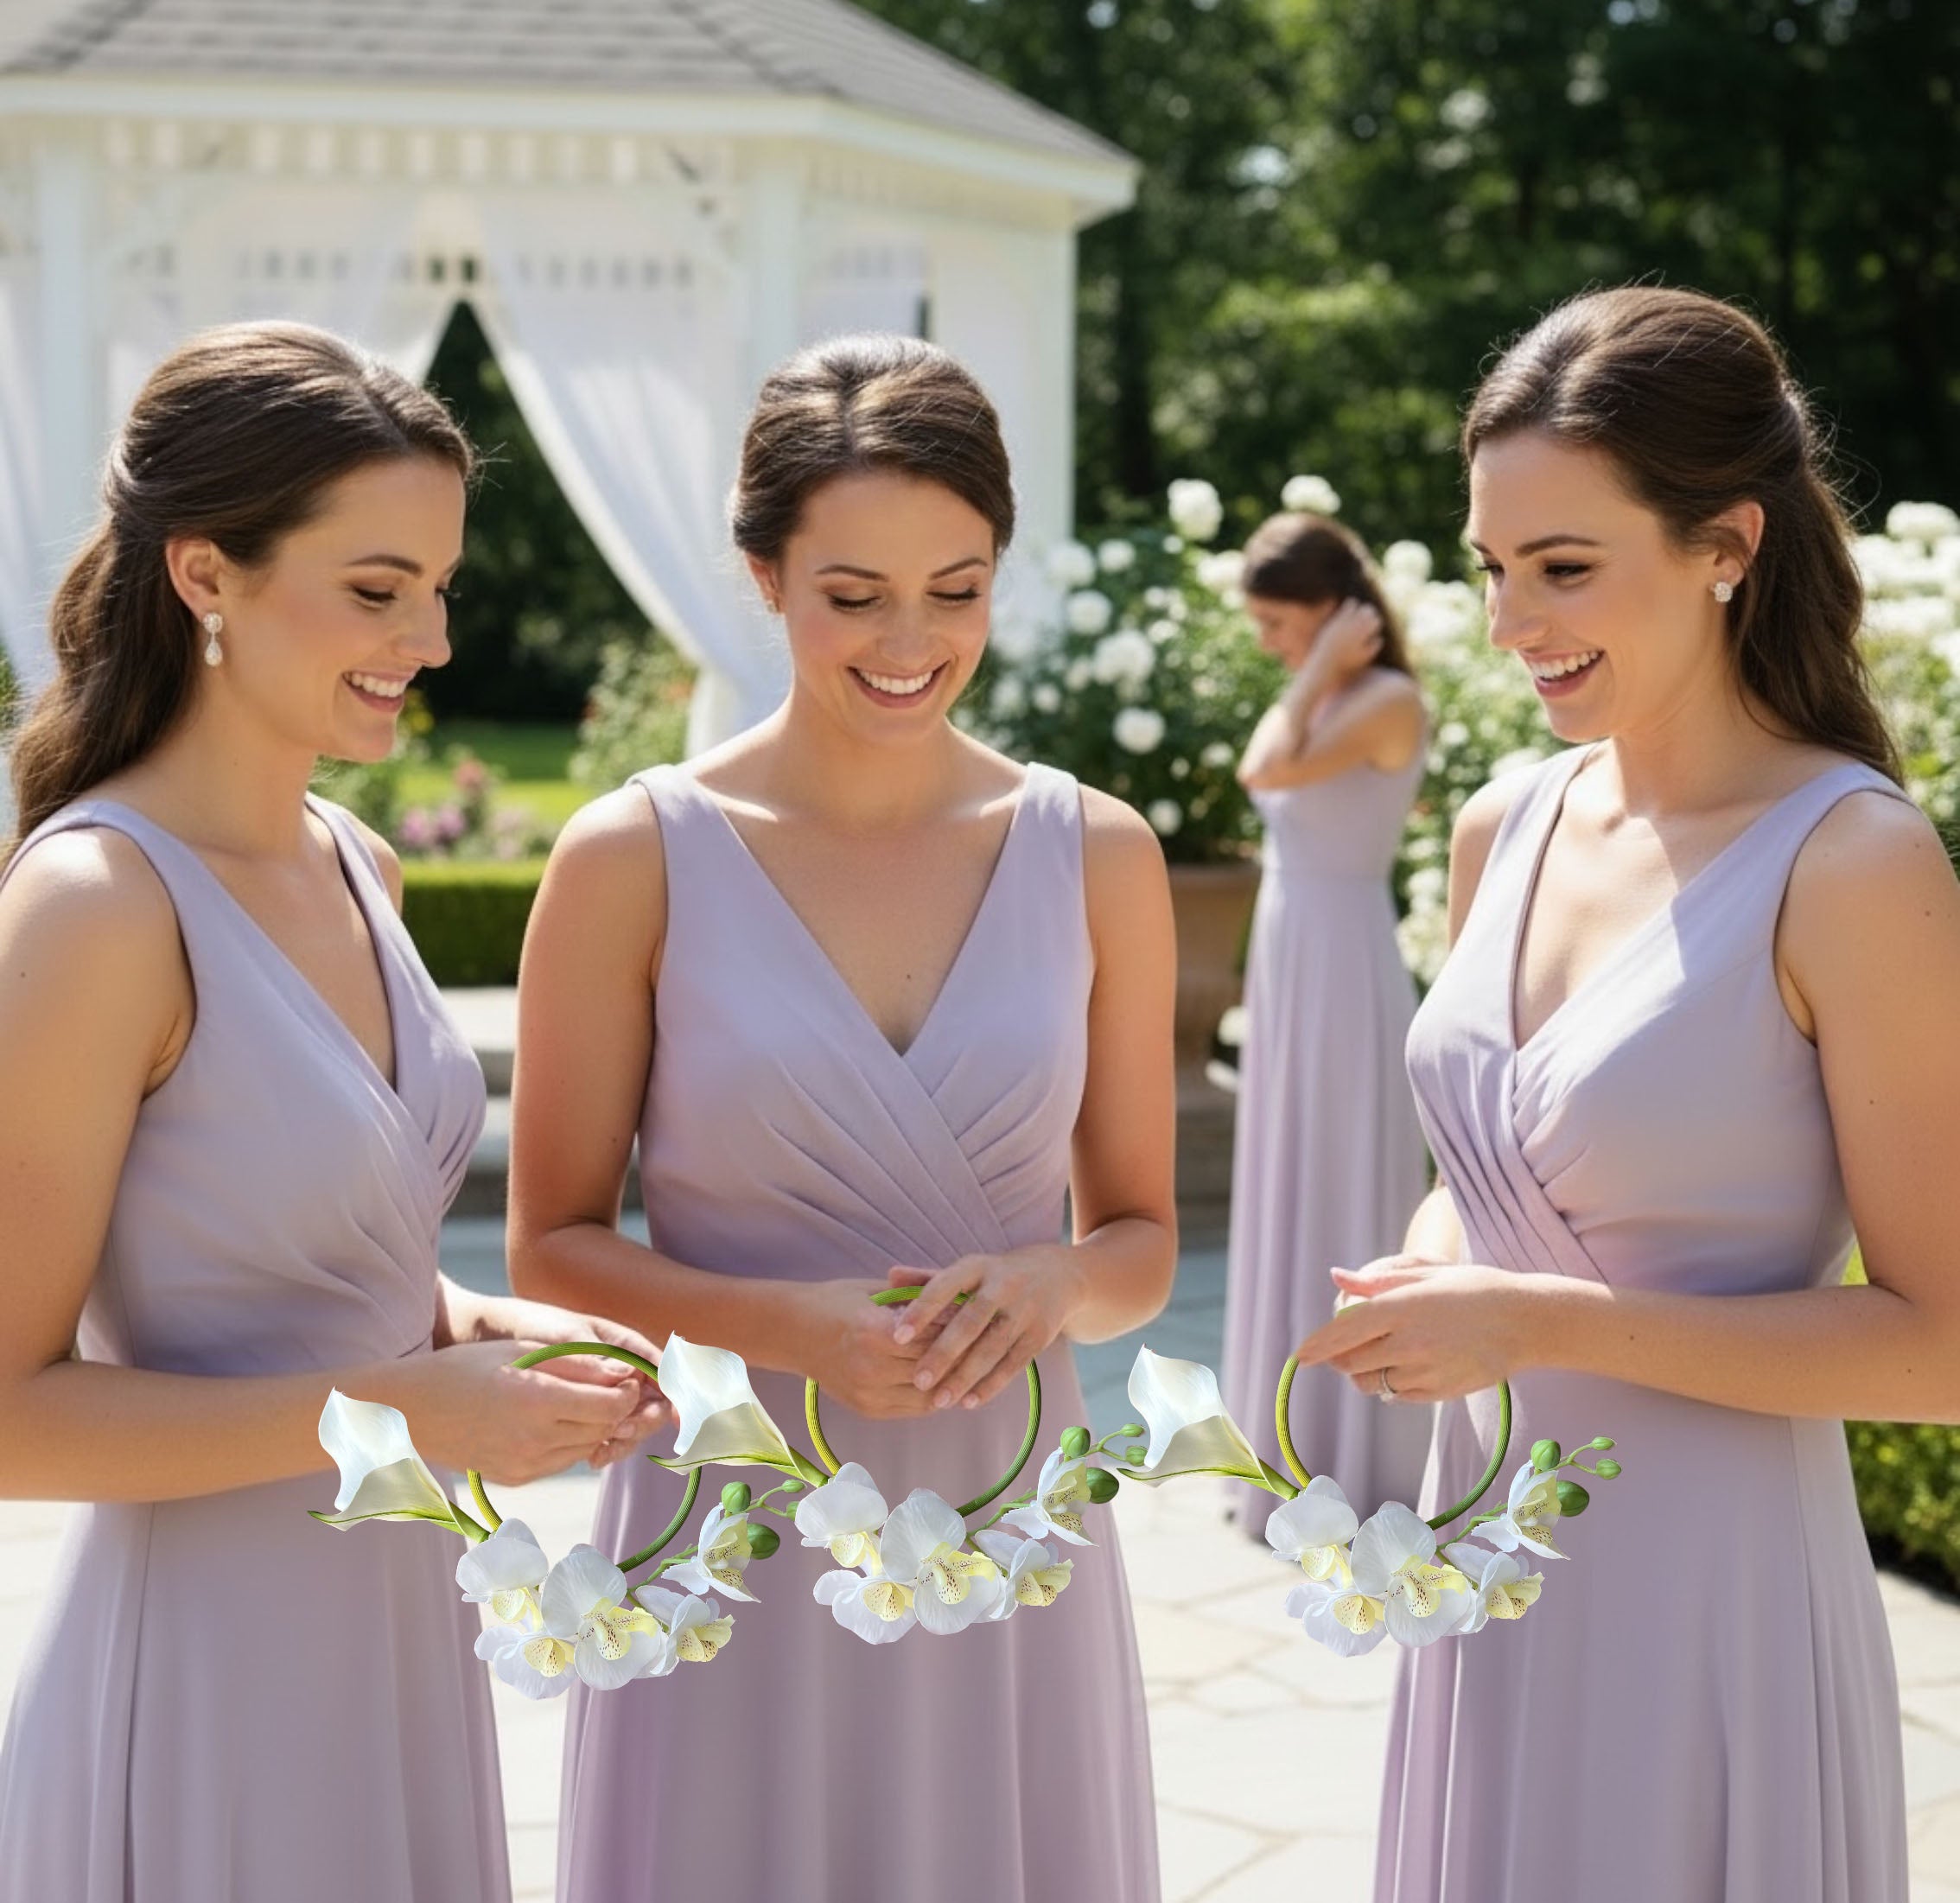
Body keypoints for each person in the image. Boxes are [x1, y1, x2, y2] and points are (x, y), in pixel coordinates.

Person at [1296, 285, 1952, 1902]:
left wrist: (1538, 1324)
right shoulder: (1496, 822)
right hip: (1485, 1556)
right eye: (1491, 567)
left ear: (1724, 543)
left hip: (1711, 1604)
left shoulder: (1850, 863)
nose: (1513, 619)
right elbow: (1496, 1158)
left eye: (1564, 566)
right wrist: (1435, 1261)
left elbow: (1940, 1345)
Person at [0, 321, 666, 1903]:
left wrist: (467, 1327)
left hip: (402, 1634)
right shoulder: (97, 905)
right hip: (214, 1680)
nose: (430, 639)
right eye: (377, 589)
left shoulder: (353, 863)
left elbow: (299, 1256)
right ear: (204, 574)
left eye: (439, 586)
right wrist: (410, 1412)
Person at [508, 334, 1174, 1903]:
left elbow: (1140, 1239)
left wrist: (1059, 1281)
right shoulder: (631, 855)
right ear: (761, 575)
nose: (910, 638)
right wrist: (779, 1328)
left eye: (956, 586)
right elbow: (549, 1243)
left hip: (1010, 1506)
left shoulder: (1096, 851)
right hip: (735, 1504)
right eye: (851, 592)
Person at [1218, 513, 1431, 1529]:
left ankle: (1358, 1456)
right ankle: (1282, 1447)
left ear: (1334, 610)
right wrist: (1311, 675)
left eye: (1275, 621)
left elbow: (1261, 770)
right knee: (1287, 1183)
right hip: (1292, 959)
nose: (1269, 643)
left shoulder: (1383, 699)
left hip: (1343, 964)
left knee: (1341, 1184)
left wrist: (1314, 678)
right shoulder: (1329, 696)